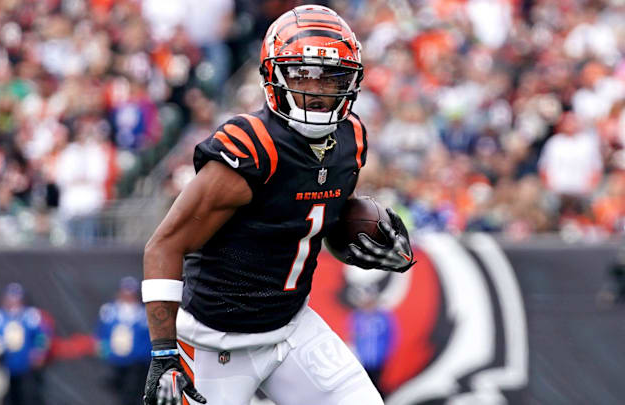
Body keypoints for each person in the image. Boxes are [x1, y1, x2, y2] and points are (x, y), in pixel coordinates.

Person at [140, 5, 415, 405]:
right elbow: (163, 245)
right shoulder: (253, 146)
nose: (318, 91)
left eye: (332, 77)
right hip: (217, 342)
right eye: (305, 74)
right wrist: (164, 354)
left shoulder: (351, 139)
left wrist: (367, 245)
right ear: (273, 75)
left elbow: (321, 221)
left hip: (291, 328)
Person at [0, 283, 50, 405]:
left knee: (27, 395)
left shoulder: (31, 315)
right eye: (10, 297)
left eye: (16, 297)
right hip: (2, 365)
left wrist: (39, 352)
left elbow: (42, 335)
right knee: (4, 396)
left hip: (26, 365)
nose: (13, 301)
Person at [97, 276, 152, 405]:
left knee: (134, 392)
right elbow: (101, 333)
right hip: (116, 360)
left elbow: (149, 338)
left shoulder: (144, 313)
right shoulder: (109, 311)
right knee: (119, 391)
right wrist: (105, 350)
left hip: (138, 362)